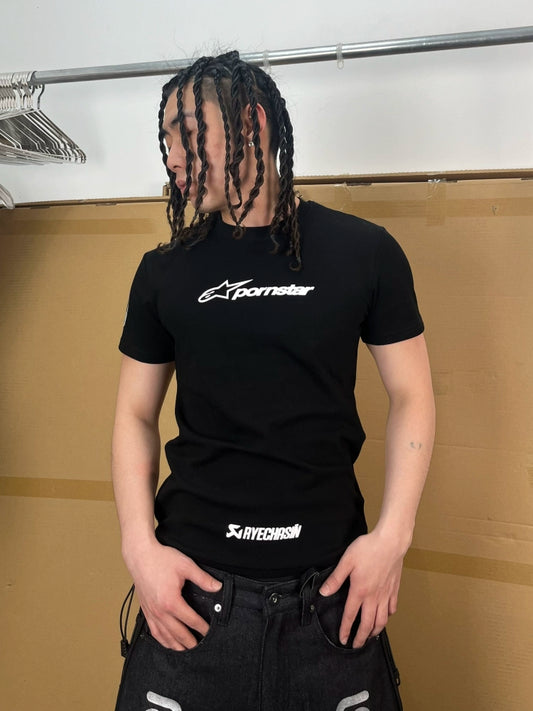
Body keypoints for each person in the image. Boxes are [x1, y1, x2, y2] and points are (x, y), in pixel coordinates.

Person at [112, 51, 435, 711]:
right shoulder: (162, 272)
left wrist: (392, 539)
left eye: (185, 133)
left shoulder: (364, 252)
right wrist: (139, 548)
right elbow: (133, 415)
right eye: (164, 139)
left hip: (331, 604)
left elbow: (413, 395)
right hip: (191, 604)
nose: (171, 157)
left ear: (251, 122)